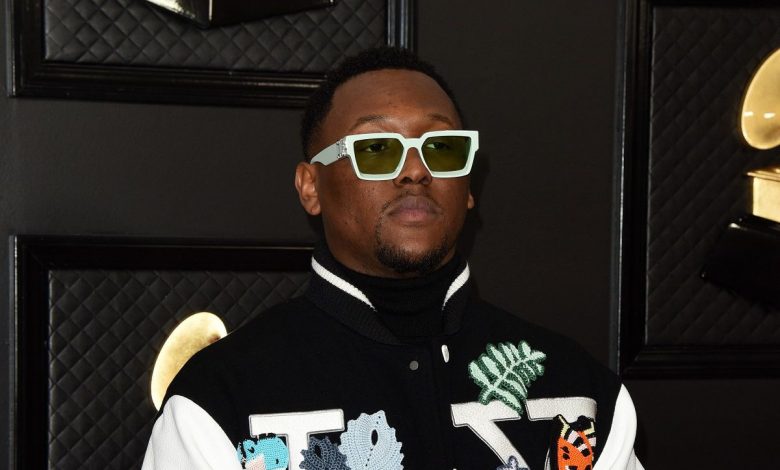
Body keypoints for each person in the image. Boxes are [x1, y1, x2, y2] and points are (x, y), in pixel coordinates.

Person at [141, 47, 643, 470]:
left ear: (469, 186)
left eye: (441, 148)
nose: (415, 170)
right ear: (311, 186)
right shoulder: (221, 399)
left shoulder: (580, 389)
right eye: (377, 148)